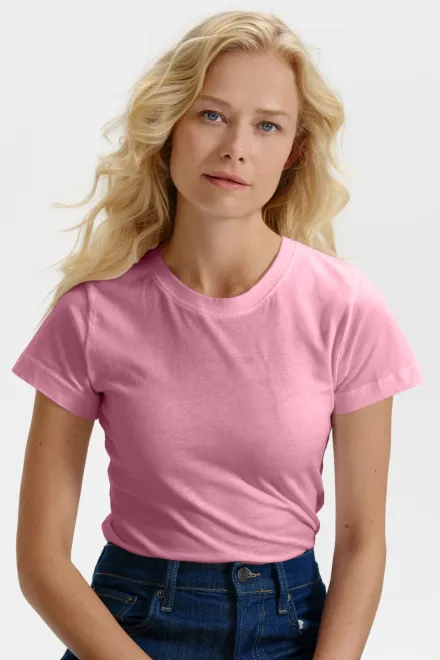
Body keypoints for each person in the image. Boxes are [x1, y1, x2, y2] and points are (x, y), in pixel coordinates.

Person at [12, 10, 424, 660]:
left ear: (294, 151)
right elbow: (40, 559)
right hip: (126, 628)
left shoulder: (346, 308)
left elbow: (362, 541)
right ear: (170, 124)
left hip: (290, 632)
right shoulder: (92, 314)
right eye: (211, 114)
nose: (236, 147)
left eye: (268, 125)